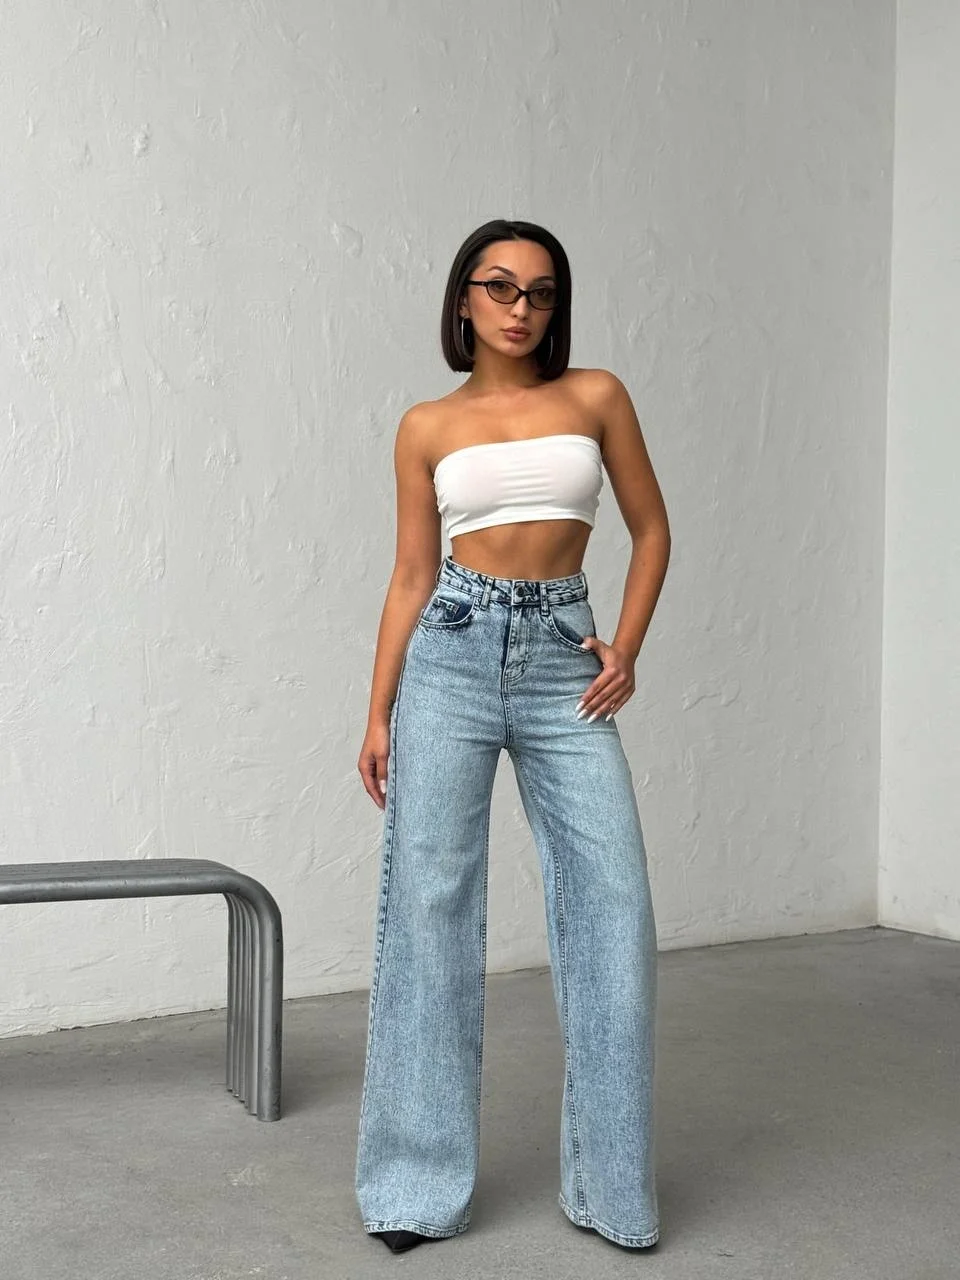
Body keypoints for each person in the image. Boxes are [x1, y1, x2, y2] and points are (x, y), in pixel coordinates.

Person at [354, 218, 671, 1254]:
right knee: (430, 908)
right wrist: (378, 710)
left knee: (614, 903)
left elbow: (653, 528)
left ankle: (613, 1190)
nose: (520, 306)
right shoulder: (426, 425)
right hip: (449, 652)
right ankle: (414, 1187)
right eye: (499, 286)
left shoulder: (597, 396)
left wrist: (624, 646)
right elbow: (411, 573)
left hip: (563, 654)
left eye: (539, 291)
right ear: (464, 299)